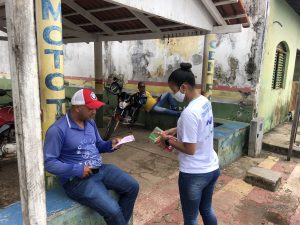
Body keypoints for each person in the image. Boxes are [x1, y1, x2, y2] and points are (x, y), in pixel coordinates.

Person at [44, 89, 139, 225]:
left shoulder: (90, 123)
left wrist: (110, 145)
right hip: (77, 181)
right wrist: (77, 169)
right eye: (90, 108)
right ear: (77, 108)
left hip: (99, 169)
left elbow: (98, 145)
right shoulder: (58, 130)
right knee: (113, 210)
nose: (94, 112)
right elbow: (49, 163)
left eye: (95, 108)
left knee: (133, 187)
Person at [157, 63, 220, 225]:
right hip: (212, 167)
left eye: (173, 90)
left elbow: (190, 149)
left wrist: (167, 139)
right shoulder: (204, 101)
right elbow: (198, 127)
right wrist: (175, 130)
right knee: (206, 209)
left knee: (191, 218)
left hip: (194, 173)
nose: (173, 94)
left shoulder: (189, 112)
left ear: (183, 87)